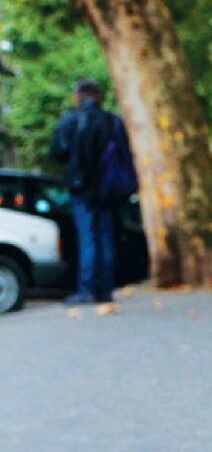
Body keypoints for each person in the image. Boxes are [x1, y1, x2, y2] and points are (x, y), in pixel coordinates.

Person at [51, 79, 116, 305]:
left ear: (78, 97)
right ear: (98, 97)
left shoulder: (71, 119)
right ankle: (105, 290)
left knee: (87, 237)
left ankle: (86, 289)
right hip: (107, 189)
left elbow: (58, 151)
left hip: (81, 188)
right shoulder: (111, 121)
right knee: (105, 238)